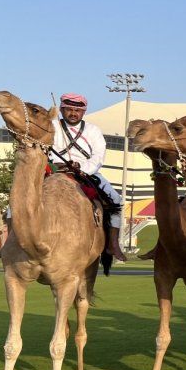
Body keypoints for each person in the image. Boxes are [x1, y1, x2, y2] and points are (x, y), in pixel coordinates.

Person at [53, 93, 125, 261]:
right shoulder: (52, 126)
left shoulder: (93, 130)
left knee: (116, 200)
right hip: (55, 170)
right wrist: (56, 165)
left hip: (86, 172)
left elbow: (98, 156)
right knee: (21, 196)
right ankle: (11, 241)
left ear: (83, 112)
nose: (73, 113)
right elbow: (44, 150)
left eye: (77, 110)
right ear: (61, 110)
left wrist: (82, 168)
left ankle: (113, 243)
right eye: (69, 109)